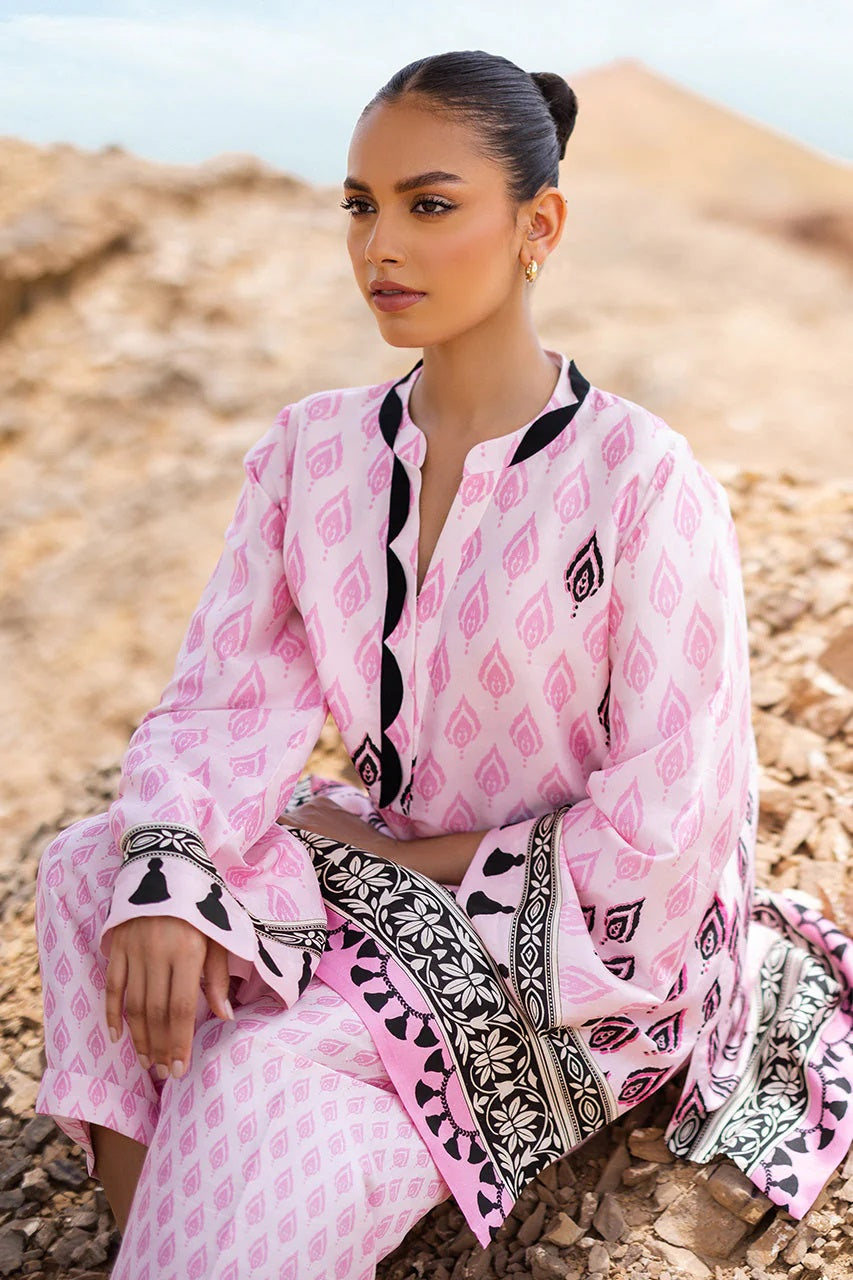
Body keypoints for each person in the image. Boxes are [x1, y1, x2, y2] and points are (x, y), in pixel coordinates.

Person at [33, 48, 853, 1280]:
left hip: (570, 944)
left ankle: (250, 1172)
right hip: (375, 873)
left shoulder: (641, 480)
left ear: (538, 226)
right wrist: (173, 871)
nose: (381, 247)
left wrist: (395, 861)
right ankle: (179, 1230)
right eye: (359, 206)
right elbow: (224, 697)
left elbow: (667, 830)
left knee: (258, 1066)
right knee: (101, 870)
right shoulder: (311, 451)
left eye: (428, 205)